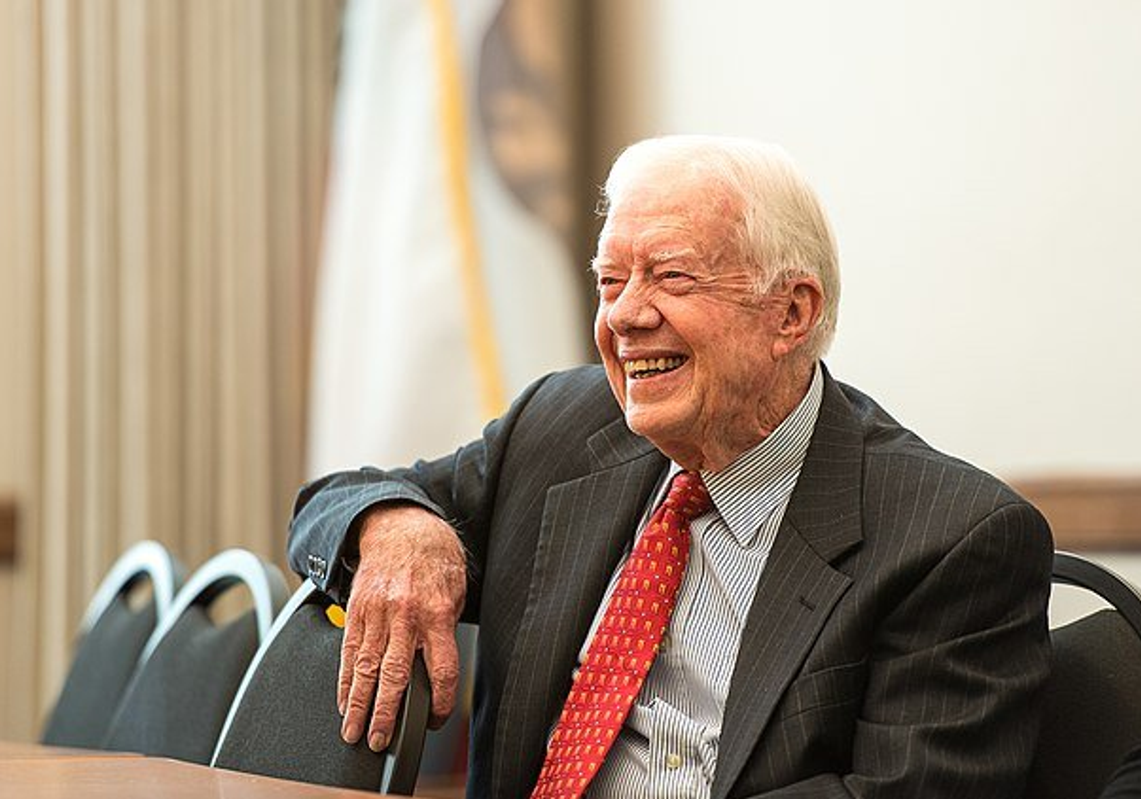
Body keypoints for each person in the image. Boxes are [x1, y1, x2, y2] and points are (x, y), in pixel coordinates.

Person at [288, 135, 1053, 798]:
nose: (623, 315)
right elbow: (335, 501)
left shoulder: (953, 539)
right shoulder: (559, 429)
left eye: (672, 277)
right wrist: (401, 527)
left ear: (792, 313)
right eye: (610, 280)